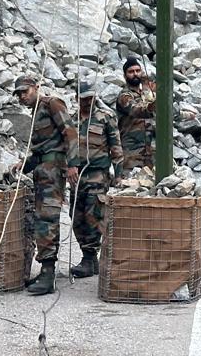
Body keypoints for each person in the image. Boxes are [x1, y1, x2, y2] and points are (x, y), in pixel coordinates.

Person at [12, 75, 76, 296]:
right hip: (42, 169)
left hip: (52, 170)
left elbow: (70, 133)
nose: (22, 96)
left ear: (36, 87)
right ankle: (45, 269)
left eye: (25, 91)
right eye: (19, 94)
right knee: (42, 218)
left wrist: (73, 165)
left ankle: (48, 274)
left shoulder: (52, 104)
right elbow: (41, 149)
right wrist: (24, 165)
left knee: (47, 218)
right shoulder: (36, 111)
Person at [68, 81, 123, 279]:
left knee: (94, 215)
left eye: (91, 98)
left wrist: (119, 174)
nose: (88, 102)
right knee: (76, 216)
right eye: (84, 99)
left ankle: (90, 257)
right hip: (76, 176)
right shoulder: (71, 121)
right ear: (77, 99)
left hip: (98, 174)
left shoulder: (105, 117)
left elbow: (115, 147)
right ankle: (87, 256)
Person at [115, 57, 156, 171]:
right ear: (125, 76)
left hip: (151, 150)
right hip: (132, 152)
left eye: (138, 71)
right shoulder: (124, 96)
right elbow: (136, 110)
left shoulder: (147, 92)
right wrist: (152, 105)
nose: (135, 74)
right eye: (131, 72)